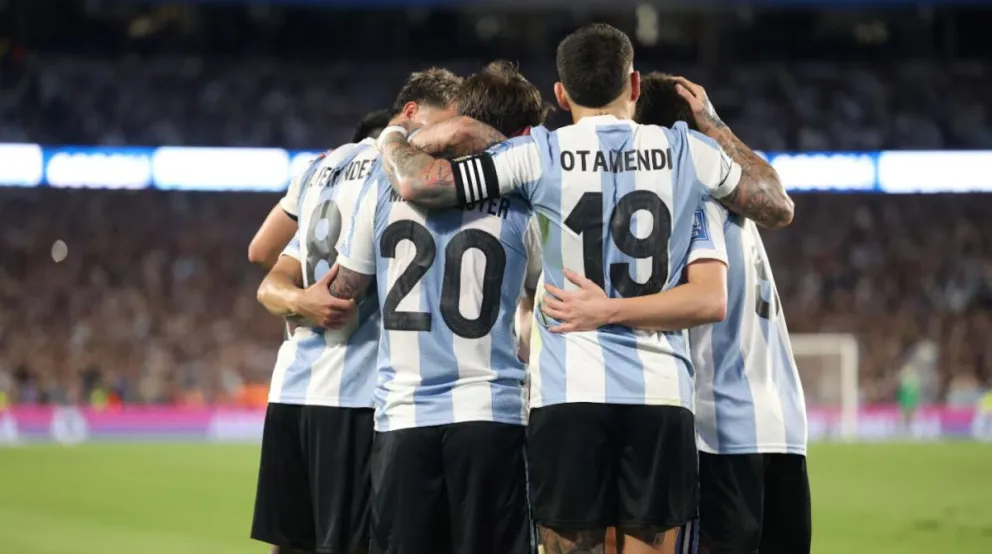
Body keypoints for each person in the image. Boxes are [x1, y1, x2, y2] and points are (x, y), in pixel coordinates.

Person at [373, 24, 792, 554]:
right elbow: (776, 204)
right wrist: (712, 122)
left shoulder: (539, 154)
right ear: (633, 85)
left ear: (562, 94)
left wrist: (392, 137)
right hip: (661, 394)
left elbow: (418, 182)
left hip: (568, 392)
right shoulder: (688, 150)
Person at [555, 72, 810, 554]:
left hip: (719, 432)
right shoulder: (743, 211)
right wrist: (716, 125)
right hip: (783, 430)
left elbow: (705, 301)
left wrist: (606, 310)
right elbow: (777, 199)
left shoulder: (692, 202)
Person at [326, 61, 548, 554]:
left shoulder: (383, 184)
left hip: (404, 415)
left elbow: (346, 287)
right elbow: (546, 296)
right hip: (492, 412)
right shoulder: (526, 199)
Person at [250, 68, 462, 554]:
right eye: (444, 126)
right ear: (411, 113)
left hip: (292, 390)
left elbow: (265, 263)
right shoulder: (400, 176)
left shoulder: (322, 168)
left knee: (292, 544)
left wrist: (299, 301)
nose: (445, 142)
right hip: (356, 394)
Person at [247, 108, 394, 271]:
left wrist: (304, 283)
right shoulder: (391, 179)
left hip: (318, 283)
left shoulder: (314, 171)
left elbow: (260, 253)